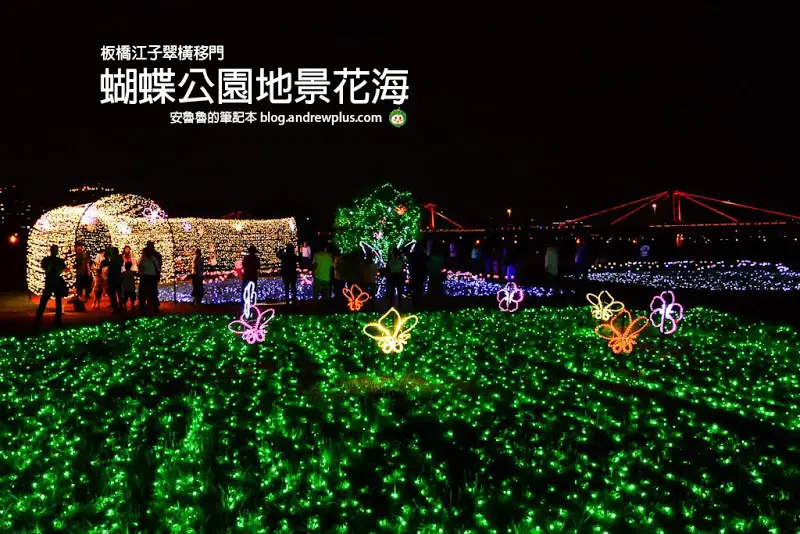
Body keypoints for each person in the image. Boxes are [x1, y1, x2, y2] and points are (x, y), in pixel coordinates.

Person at [33, 244, 68, 328]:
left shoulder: (49, 260)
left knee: (47, 300)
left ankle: (39, 318)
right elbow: (62, 270)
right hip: (53, 281)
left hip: (51, 281)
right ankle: (55, 320)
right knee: (53, 300)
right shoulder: (55, 260)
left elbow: (46, 268)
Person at [138, 247, 160, 313]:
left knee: (145, 293)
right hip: (151, 277)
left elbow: (140, 268)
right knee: (152, 292)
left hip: (146, 277)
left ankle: (145, 307)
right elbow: (157, 268)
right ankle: (153, 307)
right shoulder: (152, 259)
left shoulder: (143, 260)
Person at [145, 241, 162, 310]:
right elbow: (159, 265)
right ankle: (153, 304)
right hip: (152, 274)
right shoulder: (156, 255)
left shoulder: (152, 255)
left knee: (151, 289)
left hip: (151, 275)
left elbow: (159, 266)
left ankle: (153, 304)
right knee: (152, 289)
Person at [106, 247, 123, 312]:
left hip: (113, 277)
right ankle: (120, 306)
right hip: (117, 277)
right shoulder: (119, 258)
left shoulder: (112, 259)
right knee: (119, 292)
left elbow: (110, 266)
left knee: (114, 293)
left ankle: (116, 307)